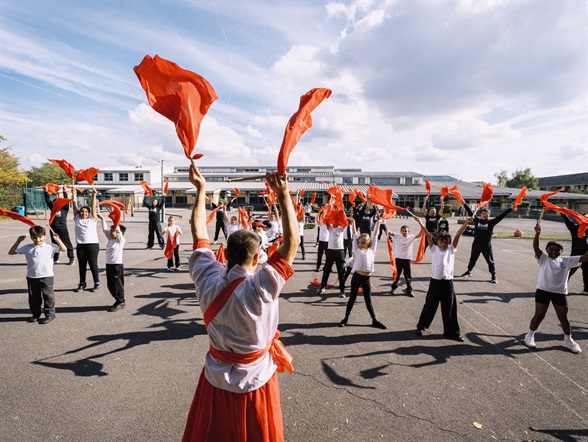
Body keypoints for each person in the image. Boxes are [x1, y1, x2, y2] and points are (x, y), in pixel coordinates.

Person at [182, 163, 298, 441]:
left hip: (215, 377)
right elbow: (292, 242)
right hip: (256, 379)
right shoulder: (261, 286)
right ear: (257, 257)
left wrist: (201, 189)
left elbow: (198, 232)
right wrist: (283, 193)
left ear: (226, 253)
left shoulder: (206, 275)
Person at [523, 224, 587, 353]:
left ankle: (568, 339)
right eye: (551, 249)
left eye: (557, 250)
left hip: (560, 293)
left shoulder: (567, 260)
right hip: (543, 291)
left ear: (561, 252)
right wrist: (537, 234)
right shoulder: (543, 259)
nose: (554, 251)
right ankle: (529, 335)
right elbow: (536, 248)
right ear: (547, 250)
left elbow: (585, 257)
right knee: (539, 315)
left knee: (563, 318)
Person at [414, 216, 472, 341]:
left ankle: (452, 332)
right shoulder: (434, 248)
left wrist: (466, 223)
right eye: (441, 242)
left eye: (446, 242)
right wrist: (420, 222)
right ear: (437, 242)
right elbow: (427, 234)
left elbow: (458, 235)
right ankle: (421, 326)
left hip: (447, 282)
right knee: (430, 305)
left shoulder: (451, 249)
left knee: (450, 307)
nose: (444, 244)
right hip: (435, 282)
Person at [9, 225, 66, 324]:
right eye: (34, 237)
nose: (38, 240)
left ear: (45, 236)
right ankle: (35, 314)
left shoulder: (50, 247)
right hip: (32, 276)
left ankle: (50, 314)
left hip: (46, 276)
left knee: (48, 296)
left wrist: (57, 239)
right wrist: (18, 241)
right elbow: (11, 252)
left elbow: (64, 249)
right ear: (31, 237)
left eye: (40, 237)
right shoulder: (27, 247)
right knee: (33, 298)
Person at [339, 218, 386, 329]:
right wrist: (354, 223)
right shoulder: (356, 249)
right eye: (359, 242)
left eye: (363, 243)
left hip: (367, 279)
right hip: (357, 277)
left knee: (368, 300)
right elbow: (355, 235)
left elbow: (375, 236)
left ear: (368, 243)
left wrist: (378, 223)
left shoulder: (372, 250)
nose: (360, 244)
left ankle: (375, 320)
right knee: (352, 298)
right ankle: (345, 318)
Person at [460, 204, 514, 283]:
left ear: (489, 215)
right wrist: (464, 203)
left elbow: (501, 216)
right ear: (481, 214)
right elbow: (470, 212)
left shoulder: (491, 222)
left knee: (490, 261)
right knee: (472, 258)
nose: (484, 215)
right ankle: (469, 271)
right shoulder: (477, 220)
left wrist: (510, 209)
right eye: (483, 213)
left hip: (486, 245)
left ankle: (493, 276)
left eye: (486, 213)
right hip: (476, 244)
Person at [72, 188, 100, 292]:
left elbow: (93, 207)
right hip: (80, 245)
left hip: (92, 245)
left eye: (86, 212)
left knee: (93, 264)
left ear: (89, 213)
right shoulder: (77, 218)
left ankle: (96, 283)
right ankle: (82, 283)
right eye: (82, 212)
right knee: (82, 265)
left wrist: (93, 195)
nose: (84, 213)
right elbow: (74, 205)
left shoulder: (92, 219)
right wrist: (74, 194)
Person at [97, 213, 127, 312]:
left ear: (119, 233)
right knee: (110, 285)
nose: (111, 231)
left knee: (117, 285)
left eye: (113, 230)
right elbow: (105, 229)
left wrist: (116, 222)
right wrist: (102, 219)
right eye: (111, 230)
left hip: (117, 265)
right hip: (109, 264)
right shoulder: (110, 239)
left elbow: (118, 231)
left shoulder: (120, 241)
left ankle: (120, 301)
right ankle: (118, 299)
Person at [388, 219, 423, 297]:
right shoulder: (398, 236)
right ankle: (393, 288)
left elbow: (419, 235)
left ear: (409, 232)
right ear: (400, 232)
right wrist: (383, 224)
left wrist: (422, 227)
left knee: (407, 275)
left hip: (407, 259)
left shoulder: (411, 237)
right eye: (403, 231)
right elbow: (390, 233)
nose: (404, 232)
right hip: (398, 258)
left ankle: (409, 290)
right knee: (397, 274)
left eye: (406, 231)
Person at [316, 220, 347, 298]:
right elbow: (326, 219)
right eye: (334, 220)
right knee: (326, 270)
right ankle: (322, 287)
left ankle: (342, 290)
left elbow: (345, 222)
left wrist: (342, 214)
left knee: (341, 272)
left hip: (340, 251)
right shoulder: (330, 227)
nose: (335, 222)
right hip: (330, 251)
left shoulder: (341, 228)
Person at [44, 189, 75, 265]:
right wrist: (45, 192)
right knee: (54, 244)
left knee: (67, 243)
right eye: (55, 203)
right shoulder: (53, 209)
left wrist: (64, 192)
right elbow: (48, 201)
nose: (56, 204)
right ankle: (56, 258)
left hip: (62, 228)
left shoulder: (65, 209)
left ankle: (71, 258)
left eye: (58, 202)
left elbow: (66, 201)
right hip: (53, 228)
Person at [561, 214, 588, 294]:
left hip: (586, 256)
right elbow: (568, 221)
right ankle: (560, 287)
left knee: (587, 272)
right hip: (575, 256)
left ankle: (586, 289)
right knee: (568, 272)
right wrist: (563, 212)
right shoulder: (575, 228)